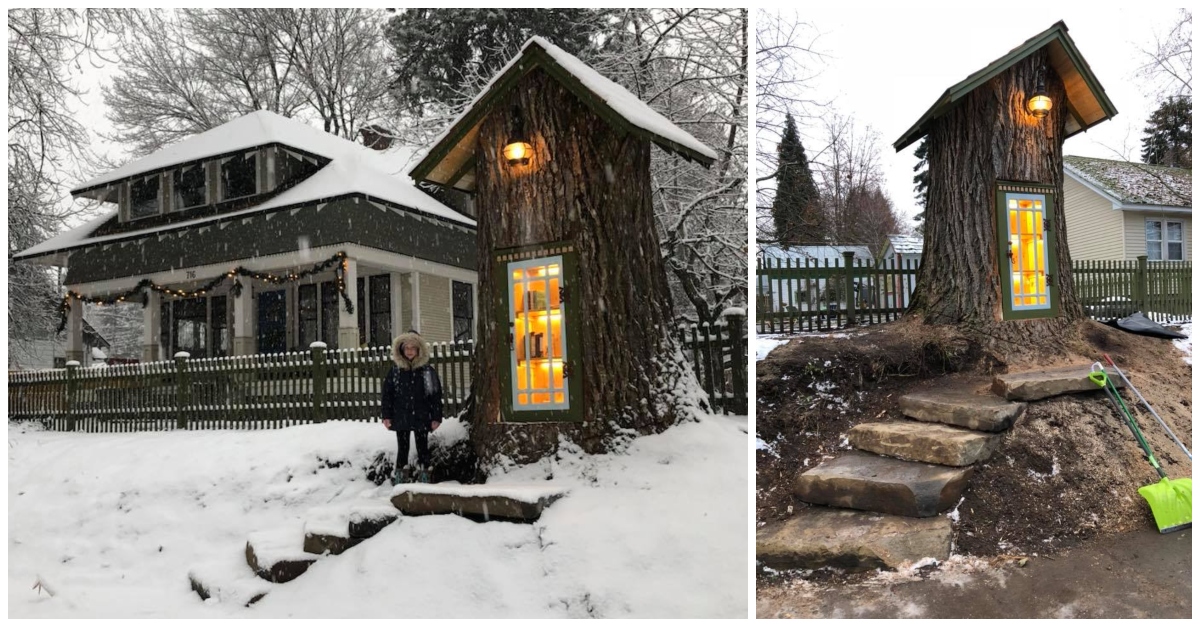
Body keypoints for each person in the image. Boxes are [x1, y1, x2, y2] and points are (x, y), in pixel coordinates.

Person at [381, 331, 442, 484]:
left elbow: (435, 395)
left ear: (419, 350)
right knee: (403, 448)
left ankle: (424, 476)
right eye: (406, 348)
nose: (409, 351)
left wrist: (436, 417)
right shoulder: (395, 372)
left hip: (422, 416)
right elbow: (387, 395)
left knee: (423, 448)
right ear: (401, 350)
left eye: (413, 348)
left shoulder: (427, 372)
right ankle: (401, 477)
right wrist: (386, 416)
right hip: (401, 416)